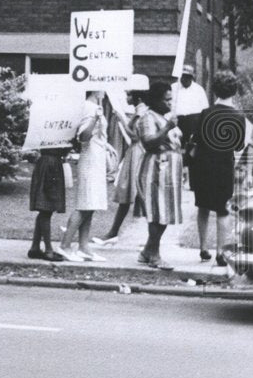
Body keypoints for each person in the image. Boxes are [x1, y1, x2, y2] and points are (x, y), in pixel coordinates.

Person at [193, 70, 246, 265]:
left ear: (214, 90)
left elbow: (197, 140)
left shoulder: (205, 113)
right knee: (223, 210)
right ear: (234, 91)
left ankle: (203, 248)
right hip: (224, 167)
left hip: (203, 166)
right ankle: (221, 253)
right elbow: (239, 145)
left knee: (203, 207)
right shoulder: (238, 116)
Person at [94, 78, 150, 245]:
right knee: (129, 194)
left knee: (139, 194)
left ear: (137, 97)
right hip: (134, 152)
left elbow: (134, 136)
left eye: (128, 95)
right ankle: (114, 232)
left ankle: (150, 239)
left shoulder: (142, 113)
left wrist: (120, 118)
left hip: (138, 152)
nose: (126, 98)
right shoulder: (140, 111)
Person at [58, 91, 109, 263]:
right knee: (84, 204)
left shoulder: (96, 106)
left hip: (98, 157)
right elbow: (83, 137)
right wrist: (95, 118)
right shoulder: (89, 107)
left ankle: (84, 246)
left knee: (91, 204)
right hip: (90, 159)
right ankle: (65, 245)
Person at [138, 81, 184, 270]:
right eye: (166, 99)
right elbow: (148, 142)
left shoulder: (164, 117)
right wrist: (167, 129)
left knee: (166, 213)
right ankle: (154, 255)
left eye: (171, 99)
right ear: (156, 100)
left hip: (170, 171)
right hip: (156, 169)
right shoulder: (147, 117)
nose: (170, 103)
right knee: (158, 213)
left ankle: (147, 251)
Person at [27, 145, 70, 262]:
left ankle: (35, 247)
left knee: (44, 210)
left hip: (47, 164)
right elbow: (65, 149)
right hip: (51, 166)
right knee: (46, 209)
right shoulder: (56, 133)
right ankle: (48, 250)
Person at [171, 63, 209, 149]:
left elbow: (205, 110)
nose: (185, 78)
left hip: (193, 124)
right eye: (183, 76)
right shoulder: (173, 88)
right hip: (177, 123)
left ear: (192, 77)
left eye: (188, 76)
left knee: (192, 151)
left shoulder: (199, 89)